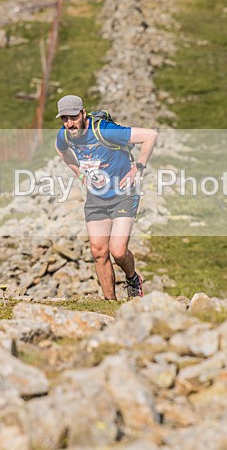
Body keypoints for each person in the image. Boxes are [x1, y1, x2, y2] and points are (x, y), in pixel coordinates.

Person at [54, 95, 158, 300]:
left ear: (83, 114)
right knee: (99, 252)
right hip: (96, 198)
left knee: (118, 251)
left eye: (73, 117)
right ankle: (110, 303)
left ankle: (132, 278)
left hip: (124, 194)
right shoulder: (64, 135)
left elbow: (150, 135)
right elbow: (61, 150)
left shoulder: (104, 131)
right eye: (64, 119)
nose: (69, 124)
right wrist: (81, 174)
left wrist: (138, 167)